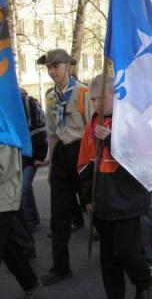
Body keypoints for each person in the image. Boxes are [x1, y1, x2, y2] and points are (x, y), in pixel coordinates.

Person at [77, 75, 152, 299]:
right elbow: (83, 164)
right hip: (102, 198)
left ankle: (143, 281)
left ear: (115, 96)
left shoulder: (131, 122)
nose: (97, 104)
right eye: (92, 99)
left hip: (128, 197)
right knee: (108, 258)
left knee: (125, 250)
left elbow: (141, 158)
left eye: (101, 98)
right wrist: (86, 198)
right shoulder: (91, 127)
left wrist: (112, 139)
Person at [37, 49, 92, 285]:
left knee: (93, 205)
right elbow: (52, 133)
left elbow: (91, 128)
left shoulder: (83, 93)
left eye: (56, 66)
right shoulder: (50, 97)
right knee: (58, 214)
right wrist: (51, 164)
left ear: (68, 66)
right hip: (61, 154)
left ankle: (116, 254)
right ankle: (61, 267)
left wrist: (93, 162)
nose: (52, 71)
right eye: (49, 67)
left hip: (81, 152)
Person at [1, 145, 42, 299]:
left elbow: (4, 167)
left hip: (4, 196)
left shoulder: (4, 129)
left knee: (8, 245)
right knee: (8, 246)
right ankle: (31, 285)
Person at [19, 90, 48, 232]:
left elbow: (40, 131)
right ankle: (30, 217)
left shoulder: (28, 104)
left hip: (32, 156)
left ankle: (32, 219)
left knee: (24, 186)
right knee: (21, 188)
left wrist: (40, 156)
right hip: (19, 157)